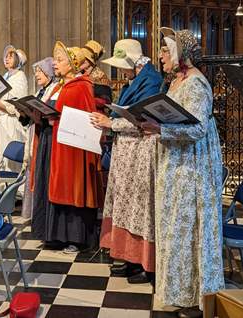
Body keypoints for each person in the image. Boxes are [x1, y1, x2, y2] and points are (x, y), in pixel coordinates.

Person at [139, 28, 223, 317]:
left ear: (181, 53)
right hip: (175, 162)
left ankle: (193, 294)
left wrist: (161, 128)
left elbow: (198, 129)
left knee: (186, 227)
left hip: (191, 166)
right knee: (174, 227)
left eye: (165, 49)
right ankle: (176, 290)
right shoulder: (177, 81)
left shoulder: (196, 83)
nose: (161, 54)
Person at [90, 39, 163, 284]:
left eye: (123, 65)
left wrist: (111, 122)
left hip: (141, 151)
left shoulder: (151, 81)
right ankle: (130, 257)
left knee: (140, 207)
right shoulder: (136, 79)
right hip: (128, 150)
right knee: (127, 205)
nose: (121, 71)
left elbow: (145, 117)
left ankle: (146, 263)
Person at [43, 41, 103, 253]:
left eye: (60, 60)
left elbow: (86, 116)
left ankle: (77, 238)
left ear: (73, 63)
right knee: (61, 186)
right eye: (55, 60)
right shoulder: (62, 85)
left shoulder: (81, 85)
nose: (55, 64)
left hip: (75, 147)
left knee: (74, 187)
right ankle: (59, 236)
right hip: (61, 143)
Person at [21, 57, 58, 219]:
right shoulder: (39, 92)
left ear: (49, 73)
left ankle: (42, 214)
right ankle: (35, 213)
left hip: (45, 135)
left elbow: (51, 114)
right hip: (35, 132)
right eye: (35, 72)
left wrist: (38, 117)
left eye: (40, 72)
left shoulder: (54, 89)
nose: (36, 75)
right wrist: (24, 113)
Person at [0, 45, 28, 172]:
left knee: (7, 159)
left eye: (10, 57)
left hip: (9, 122)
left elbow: (16, 103)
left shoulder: (20, 76)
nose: (6, 59)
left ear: (18, 60)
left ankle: (11, 185)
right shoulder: (6, 76)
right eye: (6, 56)